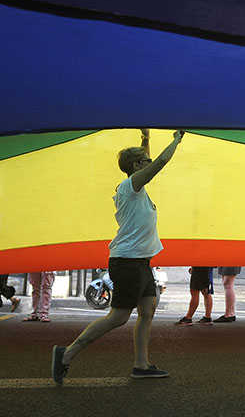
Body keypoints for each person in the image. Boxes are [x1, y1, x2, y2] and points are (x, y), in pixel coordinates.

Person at [52, 129, 185, 384]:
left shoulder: (137, 189)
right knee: (119, 317)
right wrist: (176, 140)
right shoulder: (130, 187)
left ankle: (141, 365)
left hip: (142, 262)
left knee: (148, 311)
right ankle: (66, 354)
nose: (149, 161)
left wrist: (145, 139)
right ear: (137, 166)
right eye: (144, 160)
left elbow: (149, 159)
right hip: (127, 262)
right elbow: (160, 162)